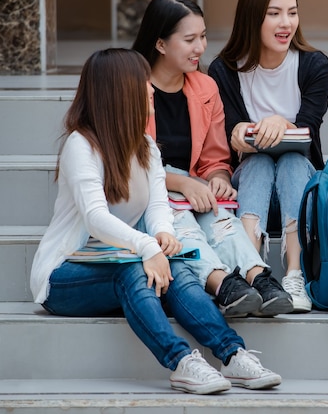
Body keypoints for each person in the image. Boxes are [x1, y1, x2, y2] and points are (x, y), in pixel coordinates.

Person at [30, 48, 282, 395]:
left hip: (125, 255)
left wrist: (163, 235)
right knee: (133, 269)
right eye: (142, 83)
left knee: (177, 269)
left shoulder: (146, 145)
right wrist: (148, 246)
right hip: (65, 274)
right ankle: (181, 362)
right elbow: (95, 218)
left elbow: (157, 204)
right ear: (119, 92)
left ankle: (233, 354)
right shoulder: (81, 145)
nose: (151, 89)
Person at [132, 0, 293, 318]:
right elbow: (126, 162)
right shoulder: (132, 88)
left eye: (203, 36)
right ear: (160, 44)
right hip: (148, 192)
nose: (200, 47)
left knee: (223, 223)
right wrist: (181, 183)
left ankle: (259, 279)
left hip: (194, 190)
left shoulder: (204, 88)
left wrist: (218, 178)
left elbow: (214, 158)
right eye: (190, 39)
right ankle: (223, 285)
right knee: (186, 228)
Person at [208, 0, 328, 313]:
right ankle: (251, 269)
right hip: (250, 192)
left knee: (292, 161)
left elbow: (308, 131)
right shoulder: (224, 71)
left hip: (300, 194)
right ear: (253, 17)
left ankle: (295, 274)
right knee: (259, 162)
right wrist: (237, 133)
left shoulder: (313, 65)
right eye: (274, 13)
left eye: (292, 12)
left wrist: (282, 123)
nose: (286, 23)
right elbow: (226, 134)